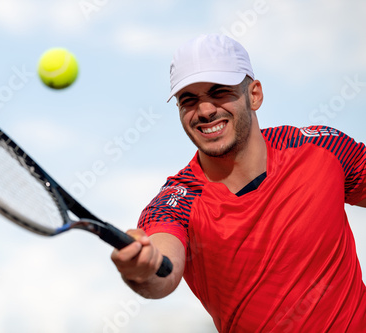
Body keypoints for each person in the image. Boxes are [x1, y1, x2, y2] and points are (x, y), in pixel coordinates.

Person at [110, 34, 366, 332]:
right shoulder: (175, 203)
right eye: (188, 100)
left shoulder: (324, 148)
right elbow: (161, 271)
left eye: (219, 92)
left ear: (254, 94)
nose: (205, 111)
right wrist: (142, 268)